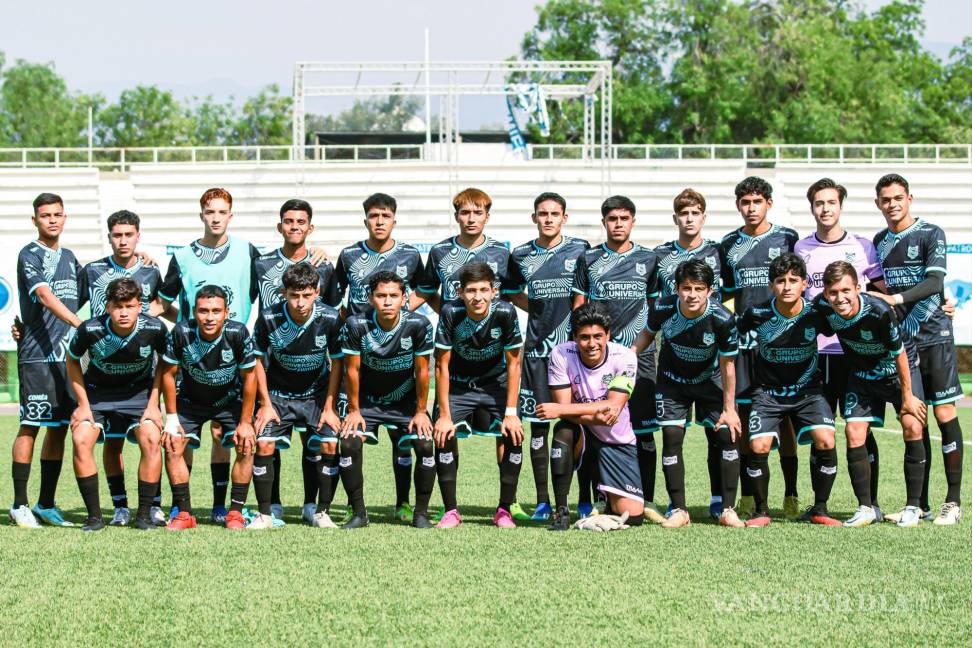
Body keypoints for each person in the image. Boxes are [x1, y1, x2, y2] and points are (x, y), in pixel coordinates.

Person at [159, 187, 325, 523]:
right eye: (210, 212)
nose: (215, 218)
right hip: (194, 358)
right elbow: (161, 303)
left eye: (222, 212)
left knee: (225, 433)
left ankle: (222, 506)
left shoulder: (249, 253)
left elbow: (286, 272)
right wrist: (188, 326)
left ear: (230, 216)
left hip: (234, 353)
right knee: (182, 437)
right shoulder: (183, 257)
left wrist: (314, 253)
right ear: (201, 215)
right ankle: (180, 506)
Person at [868, 173, 963, 525]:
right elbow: (874, 285)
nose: (892, 204)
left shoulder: (931, 233)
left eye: (898, 198)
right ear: (878, 204)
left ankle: (952, 502)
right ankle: (919, 504)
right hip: (903, 343)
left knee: (944, 414)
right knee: (915, 417)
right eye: (886, 199)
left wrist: (897, 299)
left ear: (909, 199)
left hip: (935, 336)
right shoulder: (879, 241)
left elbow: (935, 281)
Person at [795, 178, 886, 519]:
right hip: (815, 355)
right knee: (820, 430)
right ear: (812, 208)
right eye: (819, 203)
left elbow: (882, 293)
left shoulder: (862, 247)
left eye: (831, 202)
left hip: (854, 354)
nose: (825, 209)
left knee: (859, 427)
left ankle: (870, 503)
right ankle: (819, 505)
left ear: (840, 206)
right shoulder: (801, 248)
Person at [571, 195, 664, 522]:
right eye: (612, 219)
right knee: (596, 428)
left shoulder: (648, 259)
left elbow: (654, 308)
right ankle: (598, 497)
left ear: (633, 221)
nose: (618, 224)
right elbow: (579, 307)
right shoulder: (589, 258)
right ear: (604, 222)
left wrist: (640, 345)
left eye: (624, 218)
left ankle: (647, 498)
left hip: (640, 356)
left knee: (643, 430)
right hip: (598, 358)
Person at [334, 192, 424, 524]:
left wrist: (398, 315)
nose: (380, 221)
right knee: (350, 437)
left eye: (385, 216)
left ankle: (404, 503)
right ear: (366, 221)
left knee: (403, 441)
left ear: (394, 221)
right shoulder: (349, 255)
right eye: (374, 216)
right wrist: (355, 325)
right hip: (362, 353)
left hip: (397, 362)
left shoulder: (410, 255)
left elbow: (424, 289)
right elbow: (334, 296)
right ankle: (354, 506)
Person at [631, 260, 743, 528]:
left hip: (709, 381)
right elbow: (646, 335)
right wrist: (627, 359)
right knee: (671, 437)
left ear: (710, 291)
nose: (692, 294)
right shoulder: (664, 307)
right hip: (672, 382)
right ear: (677, 289)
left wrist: (729, 409)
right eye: (686, 288)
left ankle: (727, 509)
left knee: (726, 435)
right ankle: (679, 510)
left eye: (699, 288)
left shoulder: (723, 318)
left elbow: (728, 365)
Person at [816, 261, 928, 527]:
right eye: (833, 293)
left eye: (846, 290)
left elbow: (900, 354)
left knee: (912, 425)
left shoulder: (879, 311)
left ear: (858, 288)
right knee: (854, 432)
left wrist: (908, 396)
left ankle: (913, 507)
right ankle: (866, 508)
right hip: (862, 374)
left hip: (898, 371)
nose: (840, 298)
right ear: (826, 294)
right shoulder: (823, 307)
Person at [719, 177, 802, 520]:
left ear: (769, 203)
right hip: (745, 345)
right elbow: (725, 294)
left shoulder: (788, 238)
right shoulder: (728, 244)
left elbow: (799, 285)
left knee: (785, 419)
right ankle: (748, 494)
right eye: (745, 202)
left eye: (757, 201)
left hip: (781, 342)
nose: (751, 208)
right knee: (743, 420)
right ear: (738, 205)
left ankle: (791, 492)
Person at [252, 198, 340, 523]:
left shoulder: (324, 268)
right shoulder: (260, 264)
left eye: (300, 221)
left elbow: (333, 329)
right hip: (275, 378)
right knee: (267, 442)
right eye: (288, 221)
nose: (294, 226)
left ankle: (313, 507)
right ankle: (270, 507)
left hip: (315, 386)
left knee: (317, 443)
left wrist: (331, 404)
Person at [737, 253, 839, 527]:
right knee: (758, 445)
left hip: (808, 391)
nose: (787, 286)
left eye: (793, 280)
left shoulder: (817, 313)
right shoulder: (757, 314)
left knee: (826, 440)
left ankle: (820, 509)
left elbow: (844, 326)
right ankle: (761, 511)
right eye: (780, 281)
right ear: (771, 286)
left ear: (804, 284)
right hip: (768, 393)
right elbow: (730, 336)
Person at [506, 191, 589, 521]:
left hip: (573, 352)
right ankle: (543, 501)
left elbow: (586, 292)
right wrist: (537, 307)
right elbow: (512, 291)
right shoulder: (521, 254)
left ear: (564, 218)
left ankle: (584, 498)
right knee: (539, 426)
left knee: (578, 424)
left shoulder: (580, 249)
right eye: (543, 214)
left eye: (555, 214)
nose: (549, 219)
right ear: (534, 218)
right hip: (538, 351)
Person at [80, 209, 165, 527]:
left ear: (138, 236)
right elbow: (71, 305)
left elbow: (164, 305)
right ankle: (119, 507)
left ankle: (152, 506)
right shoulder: (92, 271)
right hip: (101, 367)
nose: (123, 240)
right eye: (117, 235)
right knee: (112, 442)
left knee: (150, 438)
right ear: (109, 237)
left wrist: (145, 321)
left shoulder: (151, 271)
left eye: (129, 235)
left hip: (139, 370)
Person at [65, 278, 167, 531]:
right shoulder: (90, 329)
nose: (123, 313)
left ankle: (144, 515)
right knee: (80, 439)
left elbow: (165, 364)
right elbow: (72, 360)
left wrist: (154, 404)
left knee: (152, 438)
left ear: (139, 306)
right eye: (118, 306)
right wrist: (83, 405)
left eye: (130, 306)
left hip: (139, 395)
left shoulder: (154, 328)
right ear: (108, 306)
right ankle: (94, 517)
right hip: (98, 396)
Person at [535, 303, 645, 531]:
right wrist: (581, 413)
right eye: (584, 337)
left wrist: (560, 410)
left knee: (632, 516)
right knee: (563, 431)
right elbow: (568, 410)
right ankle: (561, 511)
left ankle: (605, 502)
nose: (592, 343)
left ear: (608, 335)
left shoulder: (625, 357)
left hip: (616, 441)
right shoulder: (561, 354)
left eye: (598, 336)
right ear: (575, 337)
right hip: (582, 434)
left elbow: (611, 408)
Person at [11, 192, 86, 528]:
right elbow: (43, 295)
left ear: (64, 218)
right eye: (45, 215)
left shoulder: (69, 257)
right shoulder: (29, 254)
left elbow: (95, 285)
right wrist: (79, 324)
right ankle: (19, 504)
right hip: (37, 356)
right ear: (35, 220)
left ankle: (45, 503)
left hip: (66, 357)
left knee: (58, 428)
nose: (52, 220)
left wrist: (141, 258)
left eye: (57, 214)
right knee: (31, 425)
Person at [339, 271, 436, 528]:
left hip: (405, 403)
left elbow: (422, 372)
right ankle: (358, 513)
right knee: (348, 443)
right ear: (371, 298)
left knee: (425, 445)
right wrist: (354, 410)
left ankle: (419, 513)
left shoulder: (418, 324)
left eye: (394, 295)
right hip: (367, 403)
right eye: (381, 296)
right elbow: (352, 370)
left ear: (404, 298)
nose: (387, 301)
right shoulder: (356, 324)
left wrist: (421, 412)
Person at [432, 262, 524, 529]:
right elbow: (441, 365)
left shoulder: (505, 312)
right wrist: (444, 415)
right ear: (460, 292)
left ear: (494, 291)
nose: (478, 297)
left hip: (495, 383)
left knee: (514, 434)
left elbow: (514, 363)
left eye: (484, 290)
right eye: (471, 290)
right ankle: (451, 511)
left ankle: (504, 510)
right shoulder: (451, 312)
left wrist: (511, 413)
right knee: (443, 434)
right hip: (459, 385)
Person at [158, 285, 258, 530]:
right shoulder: (182, 332)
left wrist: (246, 422)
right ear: (194, 311)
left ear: (226, 313)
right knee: (172, 444)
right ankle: (184, 513)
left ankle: (235, 513)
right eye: (203, 311)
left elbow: (250, 378)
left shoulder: (237, 333)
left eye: (216, 311)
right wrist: (171, 418)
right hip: (190, 401)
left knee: (246, 445)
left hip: (228, 402)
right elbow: (168, 374)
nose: (209, 317)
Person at [653, 188, 725, 519]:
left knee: (717, 434)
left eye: (695, 213)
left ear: (704, 217)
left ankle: (718, 498)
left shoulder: (719, 252)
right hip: (675, 361)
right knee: (671, 435)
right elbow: (654, 303)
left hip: (711, 361)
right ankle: (676, 504)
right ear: (675, 218)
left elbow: (731, 295)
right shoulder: (660, 255)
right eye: (684, 213)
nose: (689, 218)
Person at [416, 187, 514, 312]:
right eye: (465, 212)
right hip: (452, 325)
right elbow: (425, 292)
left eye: (478, 213)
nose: (471, 219)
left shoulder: (501, 252)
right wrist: (446, 314)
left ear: (487, 217)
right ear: (456, 216)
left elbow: (512, 294)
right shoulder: (439, 251)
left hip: (492, 325)